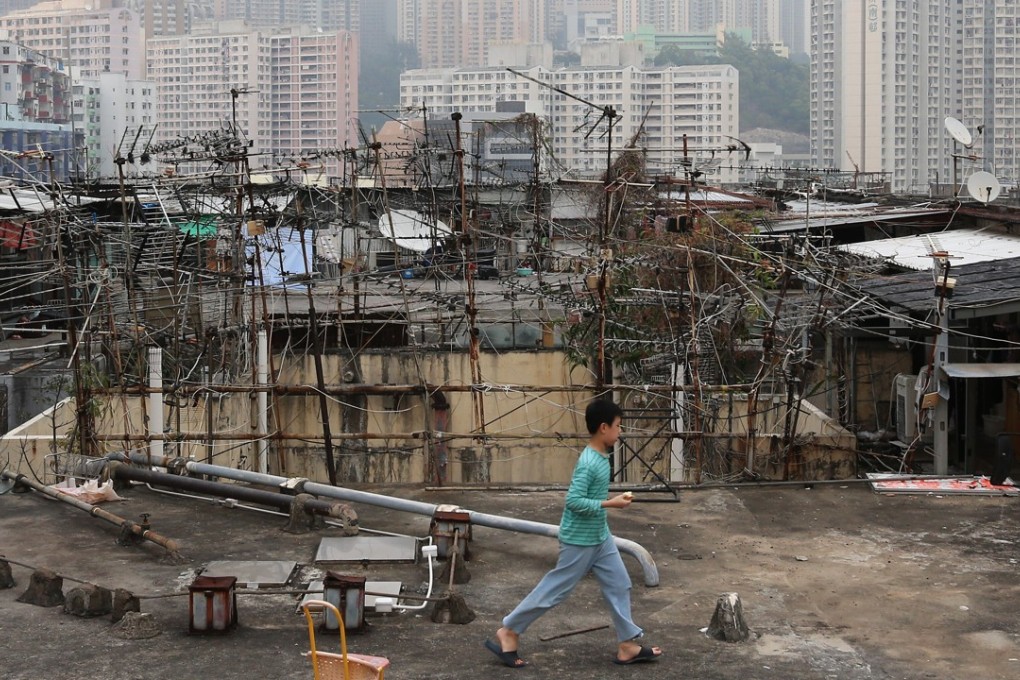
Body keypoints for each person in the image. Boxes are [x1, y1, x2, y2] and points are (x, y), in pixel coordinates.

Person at [484, 399, 663, 668]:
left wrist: (607, 503)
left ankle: (628, 644)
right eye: (618, 426)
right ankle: (509, 631)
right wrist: (610, 503)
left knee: (620, 584)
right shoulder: (589, 462)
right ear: (604, 428)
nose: (620, 431)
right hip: (579, 539)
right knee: (554, 591)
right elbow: (574, 501)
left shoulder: (602, 457)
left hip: (600, 536)